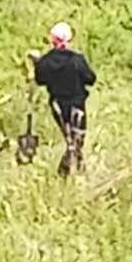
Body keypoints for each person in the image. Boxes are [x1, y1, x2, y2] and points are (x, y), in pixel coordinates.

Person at [28, 22, 95, 176]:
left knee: (70, 138)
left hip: (57, 105)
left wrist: (38, 63)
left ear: (52, 40)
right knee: (77, 138)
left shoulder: (46, 61)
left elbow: (40, 80)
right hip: (77, 104)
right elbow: (90, 78)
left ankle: (73, 170)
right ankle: (67, 172)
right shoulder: (77, 60)